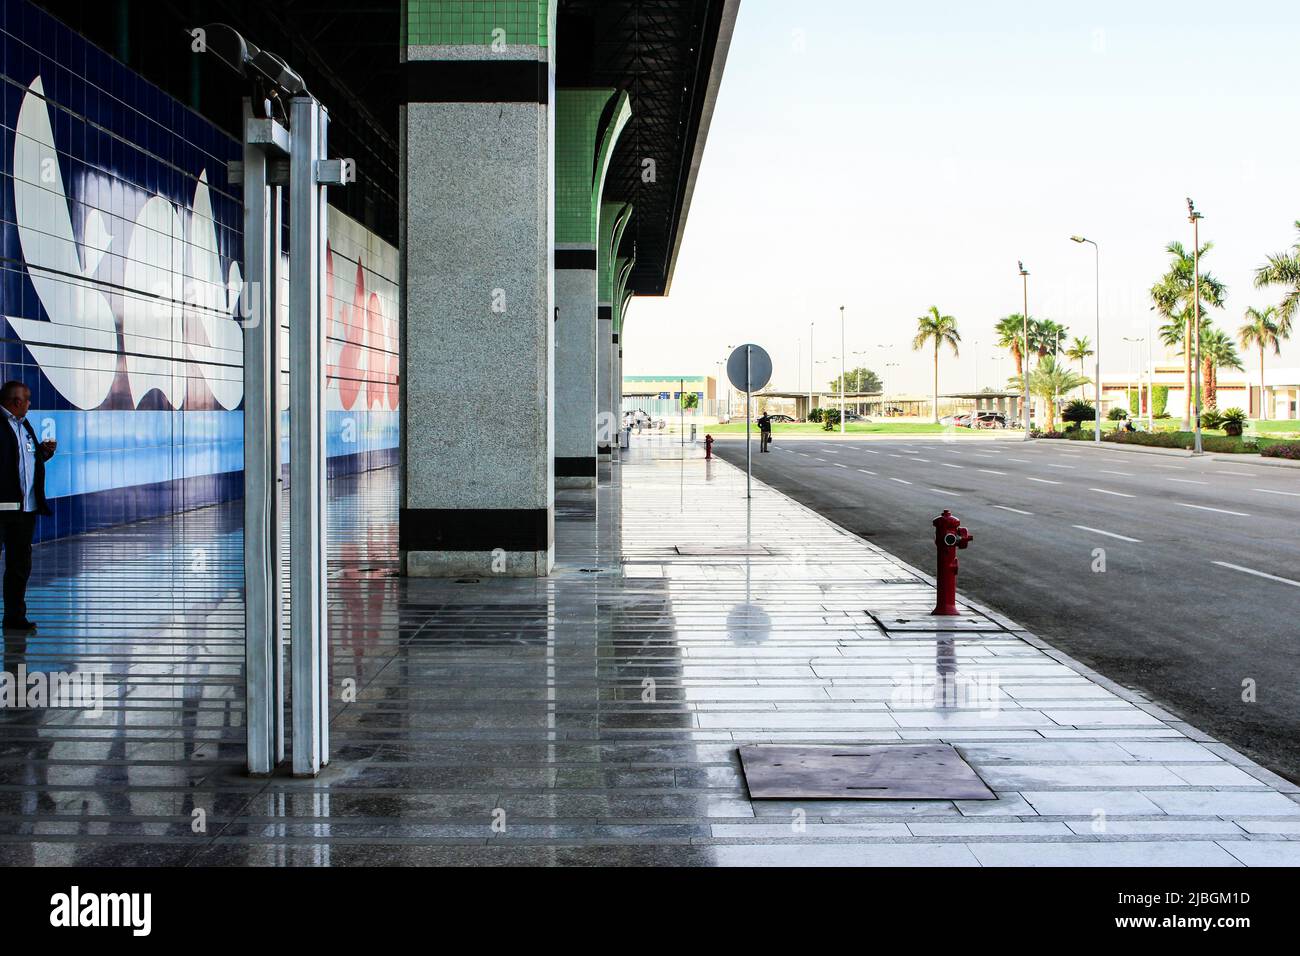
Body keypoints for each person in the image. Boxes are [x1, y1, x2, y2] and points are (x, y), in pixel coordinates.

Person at [0, 381, 56, 631]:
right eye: (27, 399)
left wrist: (43, 453)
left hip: (25, 508)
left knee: (19, 565)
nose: (30, 403)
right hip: (2, 507)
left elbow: (26, 461)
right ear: (15, 401)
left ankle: (15, 616)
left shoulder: (24, 425)